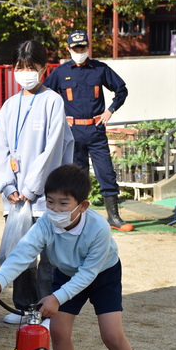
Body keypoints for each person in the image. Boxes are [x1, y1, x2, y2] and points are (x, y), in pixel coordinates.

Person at [0, 164, 153, 350]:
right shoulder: (46, 224)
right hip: (65, 274)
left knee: (112, 335)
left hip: (102, 275)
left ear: (82, 205)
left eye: (63, 204)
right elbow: (23, 253)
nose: (55, 209)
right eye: (50, 202)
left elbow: (88, 274)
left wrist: (57, 297)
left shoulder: (98, 227)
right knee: (59, 331)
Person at [0, 39, 74, 324]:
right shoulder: (9, 105)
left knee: (49, 256)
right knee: (20, 252)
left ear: (44, 69)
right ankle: (24, 307)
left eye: (31, 67)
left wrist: (30, 188)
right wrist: (8, 185)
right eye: (20, 67)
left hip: (43, 196)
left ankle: (45, 310)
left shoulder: (52, 101)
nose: (25, 73)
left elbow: (52, 150)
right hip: (15, 198)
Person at [43, 30, 132, 232]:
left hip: (96, 129)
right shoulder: (60, 72)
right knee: (77, 176)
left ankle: (114, 217)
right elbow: (45, 96)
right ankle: (77, 219)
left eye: (82, 47)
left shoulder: (99, 69)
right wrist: (59, 116)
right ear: (69, 49)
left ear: (87, 47)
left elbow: (121, 90)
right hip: (73, 132)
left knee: (106, 173)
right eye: (75, 48)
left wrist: (110, 111)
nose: (79, 51)